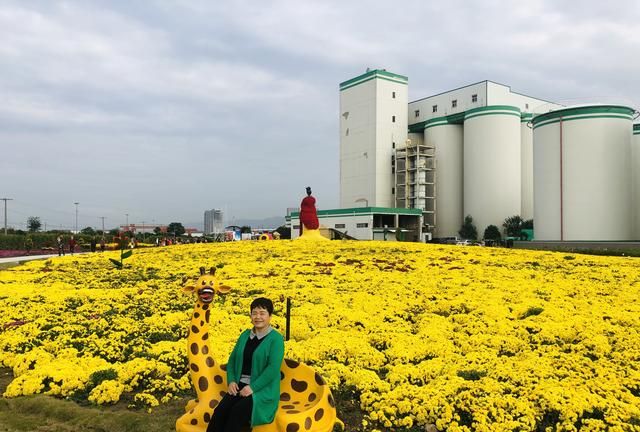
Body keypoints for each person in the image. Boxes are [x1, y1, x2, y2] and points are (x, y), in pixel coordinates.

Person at [208, 298, 284, 432]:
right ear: (250, 316)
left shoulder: (276, 339)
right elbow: (232, 361)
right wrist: (231, 381)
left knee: (237, 413)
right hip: (238, 385)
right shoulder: (244, 335)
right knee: (220, 412)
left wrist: (252, 388)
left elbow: (272, 369)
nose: (258, 317)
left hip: (262, 390)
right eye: (254, 313)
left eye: (262, 313)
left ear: (270, 316)